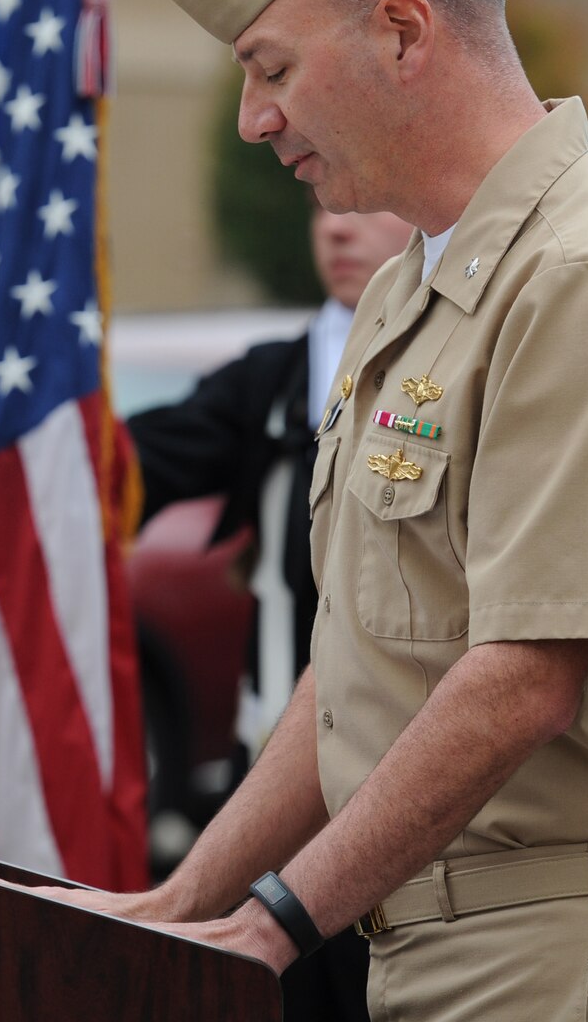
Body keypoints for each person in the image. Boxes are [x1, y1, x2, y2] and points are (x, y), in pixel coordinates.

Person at [43, 0, 588, 1022]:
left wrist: (272, 923)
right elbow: (364, 667)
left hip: (567, 956)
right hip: (437, 946)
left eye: (269, 67)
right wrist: (185, 903)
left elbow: (521, 677)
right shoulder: (410, 290)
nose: (254, 118)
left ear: (400, 28)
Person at [130, 204, 415, 1022]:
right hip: (285, 777)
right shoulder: (273, 381)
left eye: (367, 211)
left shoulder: (459, 366)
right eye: (324, 211)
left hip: (410, 780)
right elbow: (140, 463)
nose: (336, 230)